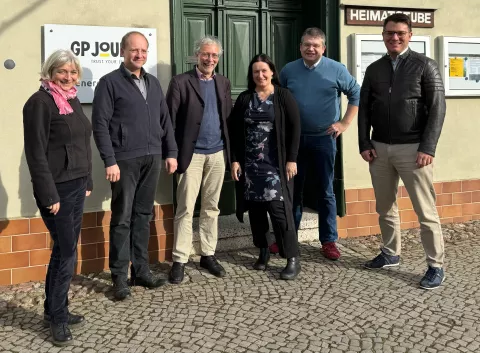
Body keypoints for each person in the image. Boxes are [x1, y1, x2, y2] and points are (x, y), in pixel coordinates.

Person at [358, 14, 446, 290]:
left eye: (400, 33)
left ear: (410, 35)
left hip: (414, 150)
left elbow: (437, 109)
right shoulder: (374, 70)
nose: (394, 38)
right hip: (380, 149)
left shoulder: (425, 66)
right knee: (385, 206)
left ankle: (435, 265)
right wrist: (364, 143)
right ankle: (390, 253)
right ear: (383, 36)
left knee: (425, 210)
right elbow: (363, 110)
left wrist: (428, 147)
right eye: (389, 33)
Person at [92, 31, 178, 300]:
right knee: (122, 218)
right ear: (123, 51)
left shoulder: (153, 83)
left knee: (143, 216)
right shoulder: (109, 83)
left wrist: (171, 152)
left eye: (143, 50)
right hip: (124, 160)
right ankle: (119, 276)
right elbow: (100, 126)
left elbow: (165, 121)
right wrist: (110, 160)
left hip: (152, 157)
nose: (139, 55)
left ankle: (141, 270)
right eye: (133, 50)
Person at [23, 49, 92, 346]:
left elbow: (83, 142)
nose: (68, 77)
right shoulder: (39, 103)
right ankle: (58, 318)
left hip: (77, 185)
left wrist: (88, 178)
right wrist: (48, 193)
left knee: (64, 249)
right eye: (62, 72)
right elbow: (36, 153)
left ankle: (53, 309)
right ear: (50, 72)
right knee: (66, 252)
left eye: (73, 72)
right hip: (57, 190)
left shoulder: (72, 99)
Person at [280, 27, 360, 261]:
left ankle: (328, 241)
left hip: (324, 139)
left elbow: (356, 93)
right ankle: (288, 239)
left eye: (315, 45)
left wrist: (344, 123)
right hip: (294, 141)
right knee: (293, 191)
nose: (310, 49)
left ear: (323, 48)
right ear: (300, 47)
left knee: (325, 191)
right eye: (306, 44)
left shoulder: (336, 69)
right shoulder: (288, 70)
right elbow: (280, 97)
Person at [166, 36, 232, 284]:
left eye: (215, 55)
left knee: (211, 208)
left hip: (217, 153)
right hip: (190, 155)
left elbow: (227, 120)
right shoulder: (181, 82)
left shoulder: (223, 83)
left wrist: (231, 156)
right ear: (196, 55)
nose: (210, 59)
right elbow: (169, 122)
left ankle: (208, 254)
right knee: (185, 209)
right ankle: (180, 259)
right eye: (206, 54)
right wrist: (170, 154)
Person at [229, 54, 301, 280]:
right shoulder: (244, 99)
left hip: (276, 166)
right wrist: (235, 160)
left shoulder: (283, 96)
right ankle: (263, 250)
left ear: (272, 72)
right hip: (251, 166)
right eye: (255, 72)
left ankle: (292, 258)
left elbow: (296, 127)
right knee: (257, 212)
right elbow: (233, 132)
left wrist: (292, 159)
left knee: (280, 213)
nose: (260, 75)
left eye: (264, 71)